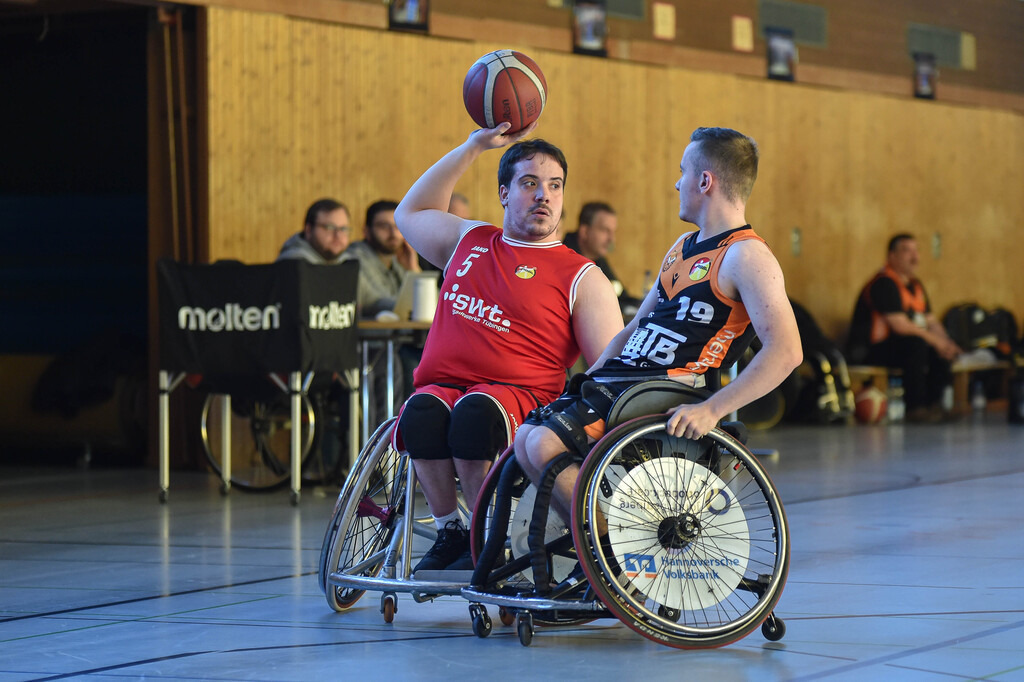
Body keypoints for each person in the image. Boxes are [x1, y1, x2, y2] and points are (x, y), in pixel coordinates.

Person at [516, 126, 803, 525]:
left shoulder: (747, 256)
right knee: (525, 439)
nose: (676, 182)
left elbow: (787, 351)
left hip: (665, 387)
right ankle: (589, 545)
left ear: (705, 182)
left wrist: (712, 409)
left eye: (683, 171)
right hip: (620, 381)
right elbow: (633, 328)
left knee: (545, 444)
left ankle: (608, 561)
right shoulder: (681, 248)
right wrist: (591, 378)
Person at [393, 121, 622, 572]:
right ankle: (451, 531)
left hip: (524, 399)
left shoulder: (583, 276)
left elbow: (607, 369)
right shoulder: (469, 240)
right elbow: (409, 212)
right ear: (503, 193)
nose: (544, 196)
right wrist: (474, 146)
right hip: (445, 385)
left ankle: (486, 535)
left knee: (475, 414)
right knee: (419, 412)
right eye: (530, 183)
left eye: (554, 186)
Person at [847, 233, 962, 421]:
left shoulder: (916, 286)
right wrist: (936, 341)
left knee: (938, 348)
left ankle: (935, 405)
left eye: (916, 251)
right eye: (907, 251)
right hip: (871, 349)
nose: (914, 257)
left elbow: (931, 322)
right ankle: (915, 409)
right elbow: (900, 326)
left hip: (899, 347)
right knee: (916, 344)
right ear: (892, 256)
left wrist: (946, 343)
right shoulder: (883, 283)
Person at [563, 201, 642, 317]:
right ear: (585, 232)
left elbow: (619, 295)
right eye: (605, 230)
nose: (611, 239)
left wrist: (642, 304)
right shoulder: (565, 258)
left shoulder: (597, 259)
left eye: (613, 232)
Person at [344, 200, 420, 318]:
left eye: (398, 225)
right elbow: (374, 303)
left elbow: (437, 303)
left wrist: (413, 269)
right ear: (367, 231)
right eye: (384, 226)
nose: (393, 233)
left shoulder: (399, 259)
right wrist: (419, 306)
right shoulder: (354, 258)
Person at [276, 198, 351, 264]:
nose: (338, 235)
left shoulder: (349, 262)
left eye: (343, 229)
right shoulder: (292, 266)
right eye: (329, 227)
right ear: (309, 230)